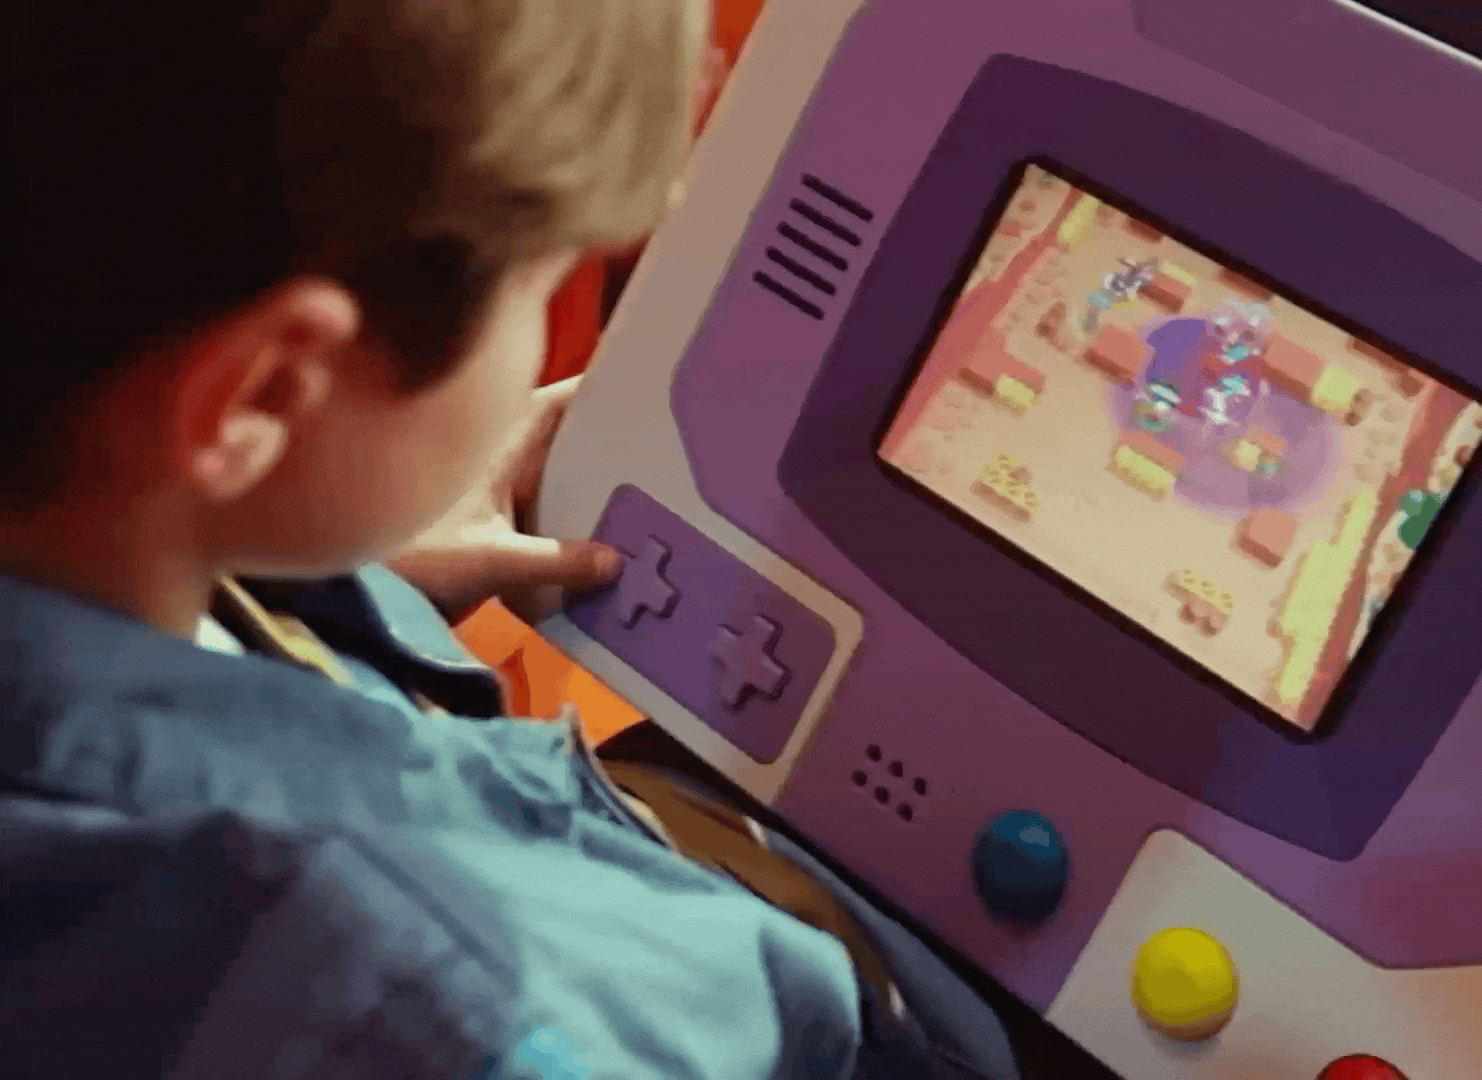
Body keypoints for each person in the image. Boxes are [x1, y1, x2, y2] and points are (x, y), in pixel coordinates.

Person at [2, 2, 1018, 1078]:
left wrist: (323, 558)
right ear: (267, 392)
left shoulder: (104, 537)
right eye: (540, 286)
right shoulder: (458, 1008)